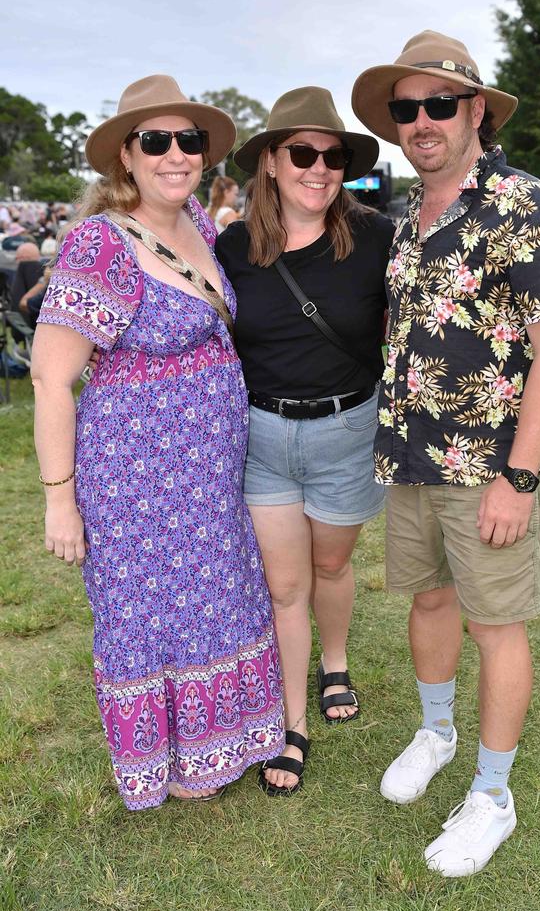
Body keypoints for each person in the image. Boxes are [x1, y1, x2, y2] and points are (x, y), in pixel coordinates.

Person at [352, 30, 540, 876]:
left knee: (497, 625)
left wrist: (518, 477)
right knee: (427, 604)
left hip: (490, 464)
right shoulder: (410, 219)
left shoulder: (527, 204)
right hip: (411, 457)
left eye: (438, 104)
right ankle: (437, 733)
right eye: (405, 109)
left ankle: (493, 793)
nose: (421, 121)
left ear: (475, 110)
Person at [30, 75, 284, 811]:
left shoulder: (198, 223)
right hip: (137, 478)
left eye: (189, 140)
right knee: (147, 614)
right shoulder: (99, 243)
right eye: (156, 141)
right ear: (126, 158)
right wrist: (59, 501)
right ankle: (163, 758)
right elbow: (51, 380)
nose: (176, 154)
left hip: (206, 473)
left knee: (213, 597)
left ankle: (219, 743)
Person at [215, 87, 394, 795]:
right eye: (302, 153)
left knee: (331, 567)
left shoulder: (376, 235)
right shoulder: (232, 245)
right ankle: (294, 725)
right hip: (262, 434)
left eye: (333, 156)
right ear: (269, 161)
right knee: (286, 588)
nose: (319, 169)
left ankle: (337, 660)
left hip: (348, 431)